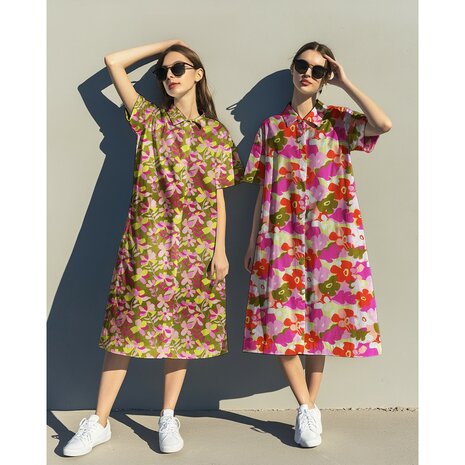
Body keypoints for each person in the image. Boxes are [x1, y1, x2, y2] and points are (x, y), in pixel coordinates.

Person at [63, 39, 244, 457]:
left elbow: (219, 195)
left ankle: (167, 416)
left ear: (198, 74)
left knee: (183, 331)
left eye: (179, 68)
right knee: (125, 329)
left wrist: (220, 251)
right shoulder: (150, 120)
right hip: (148, 242)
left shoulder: (216, 134)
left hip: (197, 247)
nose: (169, 76)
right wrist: (170, 43)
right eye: (164, 71)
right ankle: (99, 421)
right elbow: (113, 63)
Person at [241, 41, 392, 448]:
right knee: (280, 323)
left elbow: (383, 124)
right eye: (301, 65)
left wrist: (346, 83)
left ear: (326, 78)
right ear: (292, 70)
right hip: (280, 236)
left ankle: (310, 408)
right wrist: (253, 241)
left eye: (318, 70)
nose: (307, 73)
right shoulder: (271, 127)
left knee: (320, 324)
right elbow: (261, 189)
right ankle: (306, 407)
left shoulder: (338, 121)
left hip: (330, 239)